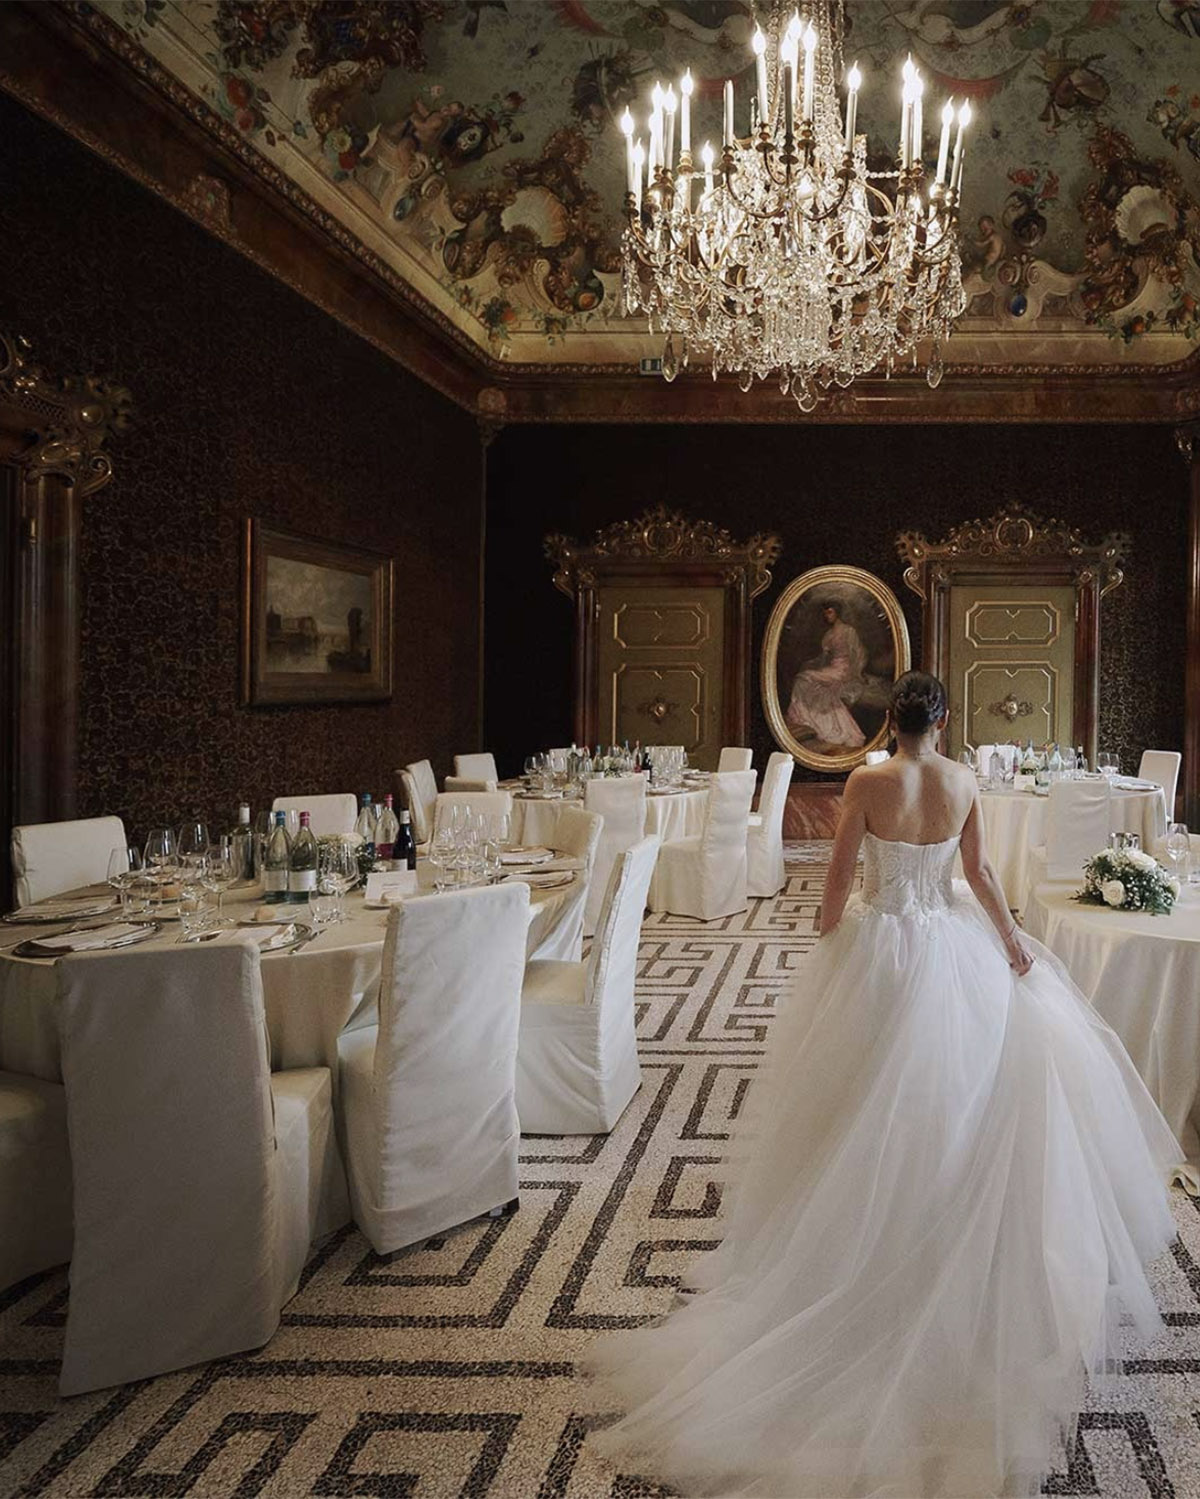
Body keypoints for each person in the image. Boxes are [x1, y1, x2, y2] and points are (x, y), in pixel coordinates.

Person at [588, 671, 1180, 1498]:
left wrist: (835, 944)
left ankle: (850, 1232)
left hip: (883, 951)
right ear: (942, 720)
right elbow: (977, 876)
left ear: (890, 722)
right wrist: (1010, 944)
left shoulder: (866, 781)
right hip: (951, 946)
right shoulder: (965, 780)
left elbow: (835, 886)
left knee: (858, 1102)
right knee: (953, 1099)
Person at [785, 601, 868, 749]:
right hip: (832, 668)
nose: (827, 616)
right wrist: (809, 664)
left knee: (806, 678)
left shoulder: (849, 631)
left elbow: (859, 655)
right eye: (825, 613)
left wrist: (854, 673)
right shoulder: (828, 635)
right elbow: (823, 659)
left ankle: (815, 720)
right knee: (802, 677)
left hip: (844, 671)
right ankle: (804, 717)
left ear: (837, 612)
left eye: (829, 612)